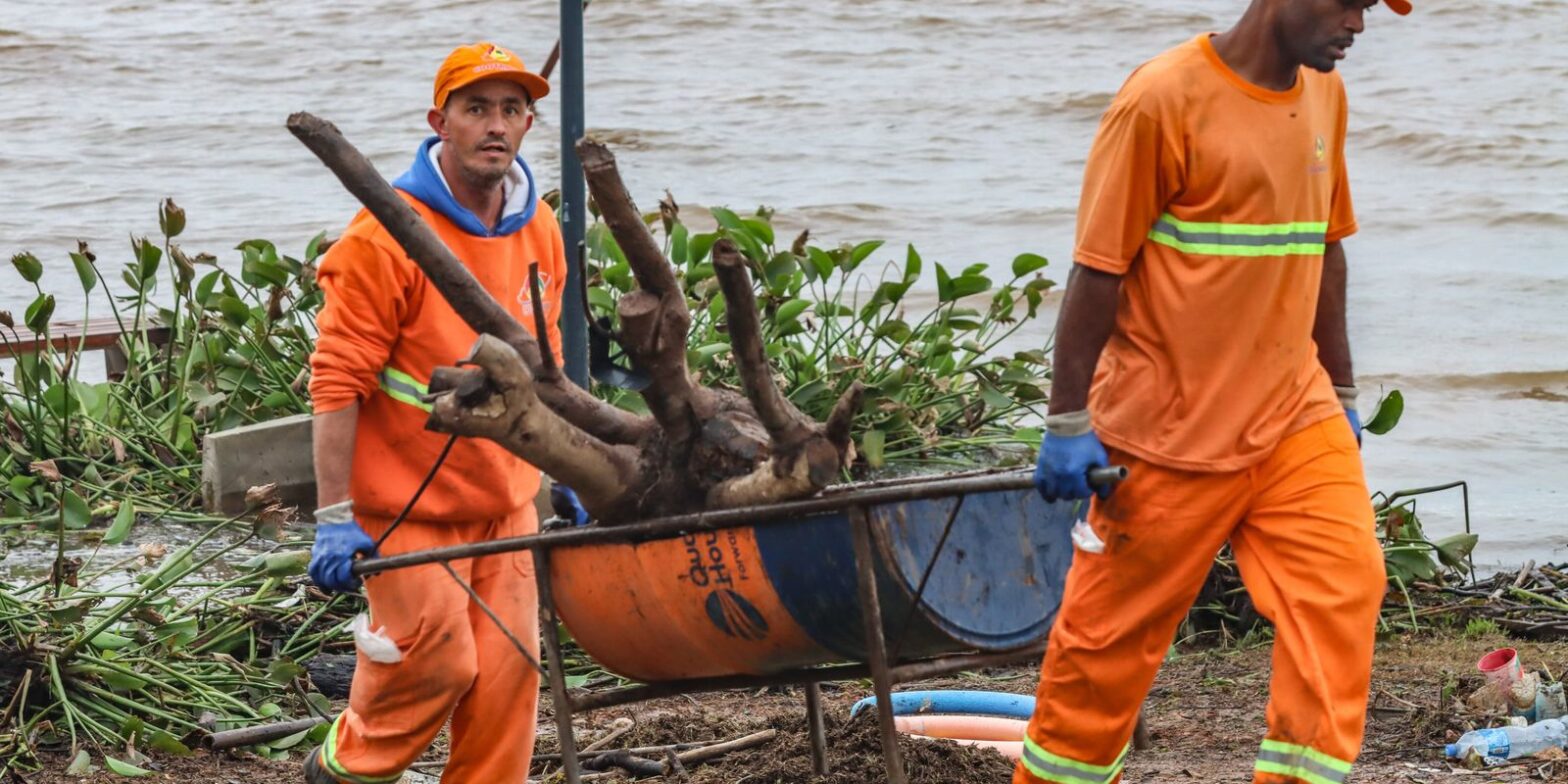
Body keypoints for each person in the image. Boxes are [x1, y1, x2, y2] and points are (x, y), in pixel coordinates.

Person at [1022, 1, 1411, 782]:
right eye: (1348, 2)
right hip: (1168, 432)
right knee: (1100, 664)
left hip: (1292, 415)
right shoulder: (1161, 100)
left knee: (1345, 589)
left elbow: (1325, 247)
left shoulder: (1324, 94)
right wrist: (1069, 418)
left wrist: (1338, 387)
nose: (1358, 25)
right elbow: (1098, 270)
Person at [303, 41, 572, 783]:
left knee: (509, 679)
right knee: (438, 661)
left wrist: (573, 462)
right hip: (404, 505)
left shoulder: (539, 228)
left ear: (526, 125)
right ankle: (340, 769)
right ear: (440, 122)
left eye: (511, 110)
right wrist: (333, 516)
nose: (495, 125)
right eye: (476, 109)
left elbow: (546, 368)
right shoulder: (382, 238)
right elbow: (335, 384)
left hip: (504, 501)